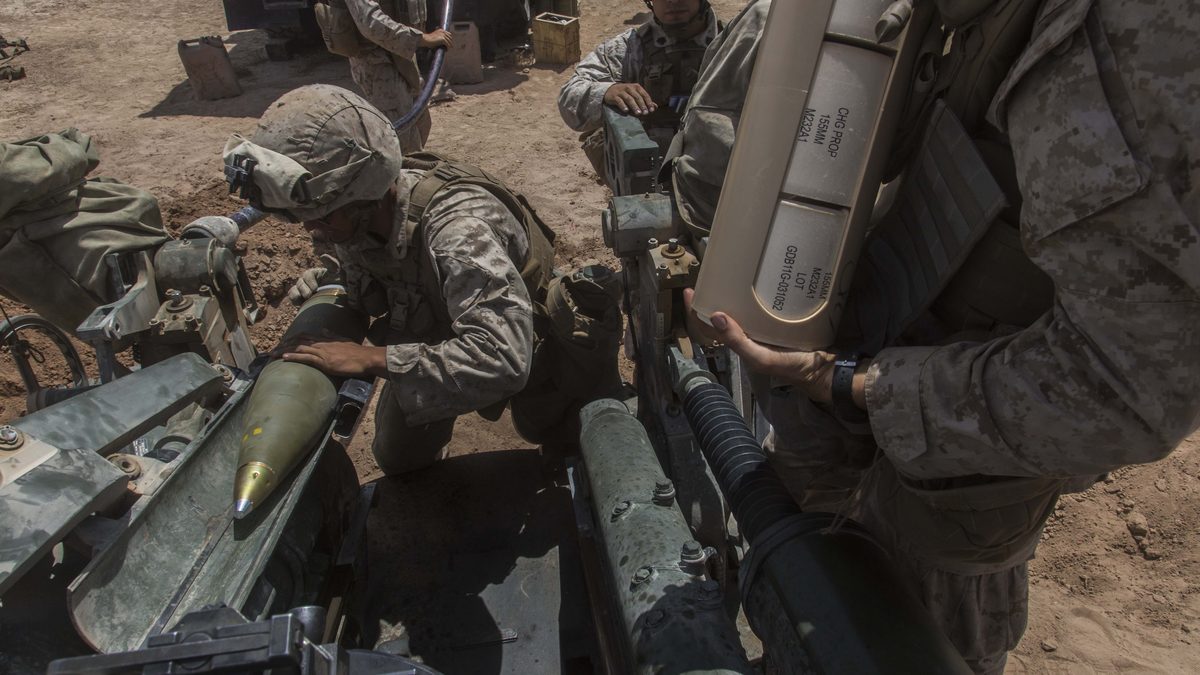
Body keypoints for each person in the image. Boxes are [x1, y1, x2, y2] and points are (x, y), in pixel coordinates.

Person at [674, 1, 1200, 672]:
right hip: (865, 409)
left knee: (910, 644)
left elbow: (1130, 388)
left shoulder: (1126, 37)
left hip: (951, 492)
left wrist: (859, 385)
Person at [223, 84, 621, 475]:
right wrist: (331, 281)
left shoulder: (459, 233)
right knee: (398, 454)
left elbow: (503, 359)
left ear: (365, 196)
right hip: (438, 327)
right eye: (299, 217)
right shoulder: (354, 213)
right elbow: (368, 262)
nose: (311, 228)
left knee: (570, 440)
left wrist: (368, 359)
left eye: (323, 217)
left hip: (531, 337)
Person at [556, 0, 720, 176]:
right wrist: (607, 91)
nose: (672, 1)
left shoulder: (734, 45)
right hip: (650, 178)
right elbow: (570, 97)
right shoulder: (630, 48)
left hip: (722, 177)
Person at [321, 0, 453, 152]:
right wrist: (421, 39)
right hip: (377, 63)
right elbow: (371, 23)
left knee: (421, 123)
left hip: (401, 54)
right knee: (403, 140)